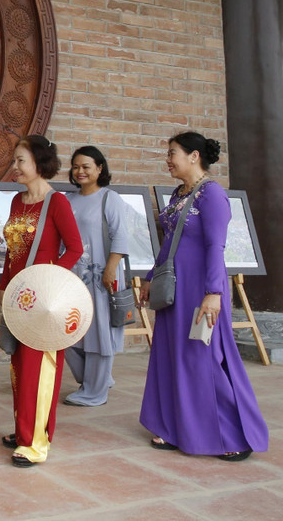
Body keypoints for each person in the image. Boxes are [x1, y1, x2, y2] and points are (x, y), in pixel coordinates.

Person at [139, 132, 268, 460]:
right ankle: (173, 428)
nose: (168, 160)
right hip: (174, 292)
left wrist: (214, 293)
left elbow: (215, 246)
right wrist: (152, 277)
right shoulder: (178, 194)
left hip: (200, 291)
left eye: (173, 154)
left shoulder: (212, 195)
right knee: (173, 355)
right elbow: (169, 244)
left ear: (194, 156)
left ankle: (230, 436)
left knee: (203, 357)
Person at [0, 135, 83, 466]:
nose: (15, 166)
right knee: (19, 366)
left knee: (39, 367)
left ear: (39, 163)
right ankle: (24, 430)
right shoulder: (17, 201)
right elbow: (11, 252)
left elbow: (75, 249)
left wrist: (49, 281)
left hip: (43, 301)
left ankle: (35, 443)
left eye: (21, 160)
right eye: (15, 160)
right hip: (17, 297)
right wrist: (7, 288)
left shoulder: (57, 202)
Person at [63, 146, 127, 406]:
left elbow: (121, 235)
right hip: (72, 276)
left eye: (86, 166)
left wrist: (111, 268)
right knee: (68, 331)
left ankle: (94, 391)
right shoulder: (66, 199)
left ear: (100, 168)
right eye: (76, 166)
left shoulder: (109, 198)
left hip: (101, 275)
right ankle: (97, 378)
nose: (80, 171)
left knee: (99, 331)